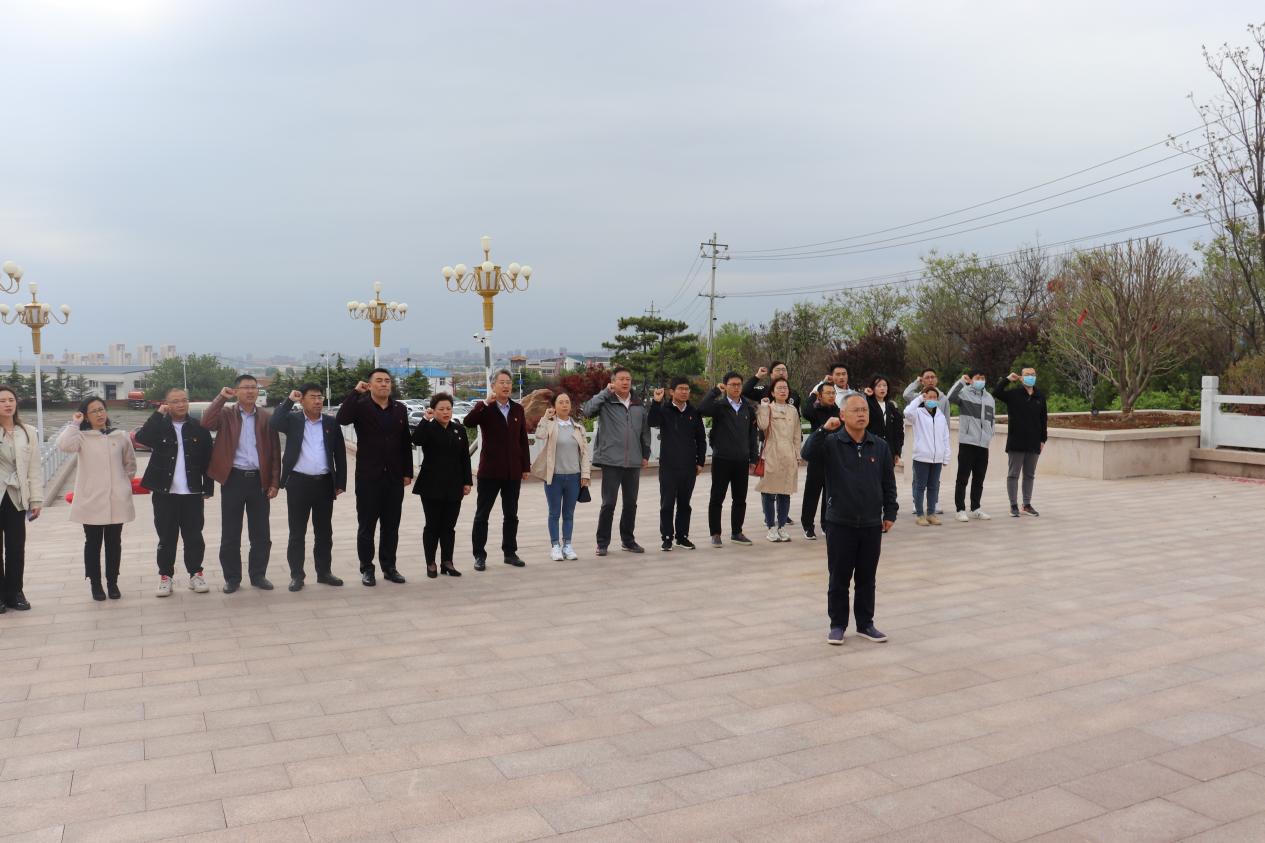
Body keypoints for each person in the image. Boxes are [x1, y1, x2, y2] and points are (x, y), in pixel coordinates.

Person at [801, 393, 897, 645]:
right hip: (839, 522)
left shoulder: (879, 446)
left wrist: (890, 512)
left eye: (864, 410)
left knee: (867, 578)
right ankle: (837, 625)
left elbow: (888, 482)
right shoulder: (831, 443)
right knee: (839, 578)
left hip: (870, 523)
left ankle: (865, 624)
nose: (862, 414)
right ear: (842, 415)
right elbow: (807, 452)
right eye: (856, 410)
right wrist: (823, 429)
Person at [204, 375, 281, 592]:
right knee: (230, 533)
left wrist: (274, 482)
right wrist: (221, 398)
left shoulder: (266, 417)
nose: (250, 391)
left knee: (261, 534)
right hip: (233, 479)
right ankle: (232, 578)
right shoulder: (226, 414)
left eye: (253, 387)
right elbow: (206, 422)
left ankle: (258, 575)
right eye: (245, 387)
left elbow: (275, 452)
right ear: (236, 391)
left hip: (259, 481)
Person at [336, 369, 413, 585]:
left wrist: (407, 472)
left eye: (387, 381)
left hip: (394, 478)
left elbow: (405, 442)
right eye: (379, 381)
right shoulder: (361, 406)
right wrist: (355, 393)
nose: (384, 384)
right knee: (367, 527)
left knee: (391, 526)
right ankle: (367, 568)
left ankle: (389, 567)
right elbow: (342, 419)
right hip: (369, 477)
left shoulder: (400, 409)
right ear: (369, 385)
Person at [135, 388, 214, 598]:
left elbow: (208, 459)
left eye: (184, 400)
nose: (180, 404)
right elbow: (141, 437)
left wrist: (208, 487)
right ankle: (165, 577)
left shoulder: (199, 429)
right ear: (167, 404)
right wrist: (158, 414)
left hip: (192, 494)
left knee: (194, 537)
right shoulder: (160, 427)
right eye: (175, 401)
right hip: (164, 493)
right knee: (166, 538)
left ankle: (195, 574)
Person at [59, 398, 136, 601]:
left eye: (101, 409)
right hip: (90, 500)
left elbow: (130, 463)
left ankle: (112, 582)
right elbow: (64, 445)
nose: (99, 414)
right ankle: (95, 583)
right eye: (93, 411)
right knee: (93, 543)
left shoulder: (120, 436)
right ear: (86, 416)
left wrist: (122, 484)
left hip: (116, 499)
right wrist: (75, 424)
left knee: (114, 542)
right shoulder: (82, 437)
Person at [272, 383, 347, 591]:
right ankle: (297, 575)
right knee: (297, 533)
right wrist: (289, 400)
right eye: (313, 397)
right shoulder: (293, 420)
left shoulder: (331, 423)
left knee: (324, 532)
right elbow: (274, 422)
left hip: (324, 484)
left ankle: (324, 572)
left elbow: (340, 454)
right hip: (298, 483)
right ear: (302, 400)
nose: (317, 401)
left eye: (320, 397)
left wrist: (341, 482)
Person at [463, 369, 531, 570]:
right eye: (501, 382)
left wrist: (525, 466)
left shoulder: (517, 409)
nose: (506, 386)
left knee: (511, 515)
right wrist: (484, 403)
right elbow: (468, 422)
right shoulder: (486, 408)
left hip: (512, 472)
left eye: (508, 382)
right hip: (490, 472)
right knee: (482, 515)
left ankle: (510, 553)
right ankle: (479, 555)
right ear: (493, 386)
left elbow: (522, 440)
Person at [583, 366, 651, 556]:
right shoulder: (606, 401)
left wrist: (645, 454)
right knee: (609, 503)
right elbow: (587, 411)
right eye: (621, 379)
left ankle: (628, 541)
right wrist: (605, 392)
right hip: (611, 461)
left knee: (631, 504)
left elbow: (645, 432)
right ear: (613, 382)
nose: (625, 382)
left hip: (633, 461)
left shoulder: (638, 404)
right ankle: (602, 543)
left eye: (628, 379)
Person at [412, 393, 473, 577]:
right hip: (431, 485)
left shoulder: (458, 429)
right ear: (434, 410)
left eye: (448, 408)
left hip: (454, 485)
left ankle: (447, 562)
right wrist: (425, 419)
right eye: (441, 409)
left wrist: (467, 481)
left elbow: (465, 458)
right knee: (432, 526)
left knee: (448, 527)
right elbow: (416, 440)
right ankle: (430, 563)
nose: (446, 412)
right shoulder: (429, 428)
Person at [699, 372, 759, 547]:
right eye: (732, 384)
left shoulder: (748, 408)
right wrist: (714, 392)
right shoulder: (719, 406)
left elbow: (752, 435)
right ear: (726, 386)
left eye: (739, 384)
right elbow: (702, 409)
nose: (736, 387)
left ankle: (737, 532)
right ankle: (715, 533)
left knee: (740, 498)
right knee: (717, 498)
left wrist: (753, 458)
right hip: (722, 459)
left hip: (742, 460)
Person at [531, 392, 591, 560]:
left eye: (567, 402)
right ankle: (555, 546)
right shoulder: (551, 425)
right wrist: (545, 417)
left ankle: (568, 545)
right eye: (561, 402)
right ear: (554, 406)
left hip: (574, 477)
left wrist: (585, 474)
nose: (565, 405)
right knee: (554, 513)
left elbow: (584, 453)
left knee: (569, 514)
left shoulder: (578, 428)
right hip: (554, 477)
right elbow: (539, 435)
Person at [649, 377, 707, 551]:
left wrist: (700, 462)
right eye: (680, 389)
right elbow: (652, 422)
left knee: (684, 504)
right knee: (667, 504)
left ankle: (682, 537)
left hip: (688, 466)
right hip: (668, 466)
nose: (684, 392)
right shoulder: (665, 410)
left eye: (687, 389)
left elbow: (701, 439)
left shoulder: (693, 412)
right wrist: (656, 402)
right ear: (672, 392)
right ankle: (667, 537)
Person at [0, 385, 42, 613]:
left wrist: (36, 500)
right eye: (2, 401)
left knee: (16, 547)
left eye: (11, 399)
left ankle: (15, 592)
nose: (7, 404)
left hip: (17, 496)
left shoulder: (27, 432)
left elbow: (34, 468)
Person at [993, 366, 1048, 517]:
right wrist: (1007, 380)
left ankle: (1027, 504)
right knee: (1013, 474)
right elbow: (996, 393)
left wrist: (1043, 439)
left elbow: (1043, 419)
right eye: (1027, 374)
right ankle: (1013, 505)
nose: (1030, 376)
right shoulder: (1014, 394)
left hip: (1034, 442)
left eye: (1033, 374)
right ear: (1021, 377)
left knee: (1029, 475)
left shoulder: (1040, 396)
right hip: (1016, 441)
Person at [756, 378, 804, 542]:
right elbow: (762, 426)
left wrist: (797, 454)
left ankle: (782, 526)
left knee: (785, 492)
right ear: (772, 392)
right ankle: (771, 527)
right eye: (779, 388)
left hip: (788, 455)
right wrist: (763, 407)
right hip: (771, 453)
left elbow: (797, 434)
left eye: (785, 388)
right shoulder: (767, 408)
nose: (783, 391)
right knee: (769, 492)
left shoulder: (793, 410)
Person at [946, 370, 996, 522]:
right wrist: (961, 381)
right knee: (962, 478)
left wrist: (989, 435)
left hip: (983, 445)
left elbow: (992, 419)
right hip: (967, 443)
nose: (981, 380)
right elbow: (950, 397)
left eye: (983, 377)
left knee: (979, 479)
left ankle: (975, 508)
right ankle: (960, 509)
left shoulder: (989, 398)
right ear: (972, 380)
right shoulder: (964, 393)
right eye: (977, 378)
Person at [904, 386, 951, 526]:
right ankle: (920, 515)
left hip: (937, 458)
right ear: (924, 398)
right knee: (920, 487)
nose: (932, 400)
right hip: (921, 457)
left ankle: (931, 514)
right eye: (929, 397)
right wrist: (919, 398)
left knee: (933, 487)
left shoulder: (941, 416)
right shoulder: (917, 414)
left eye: (934, 397)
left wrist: (946, 456)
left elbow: (945, 437)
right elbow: (907, 412)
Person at [799, 382, 838, 540]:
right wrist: (814, 393)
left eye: (833, 393)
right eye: (827, 393)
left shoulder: (838, 411)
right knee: (812, 493)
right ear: (820, 396)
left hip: (832, 458)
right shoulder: (814, 410)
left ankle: (826, 524)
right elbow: (806, 410)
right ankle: (808, 526)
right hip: (816, 458)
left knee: (829, 494)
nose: (831, 396)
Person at [863, 376, 904, 468]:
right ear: (872, 388)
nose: (882, 388)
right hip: (872, 448)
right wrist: (867, 396)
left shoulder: (891, 406)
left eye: (885, 385)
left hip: (889, 449)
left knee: (888, 475)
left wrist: (897, 451)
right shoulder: (867, 404)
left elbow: (898, 430)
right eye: (878, 386)